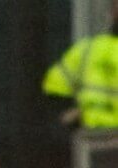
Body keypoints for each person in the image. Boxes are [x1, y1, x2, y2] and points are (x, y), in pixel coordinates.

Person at [42, 1, 118, 129]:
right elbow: (54, 91)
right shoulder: (88, 50)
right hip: (92, 138)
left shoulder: (87, 49)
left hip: (93, 138)